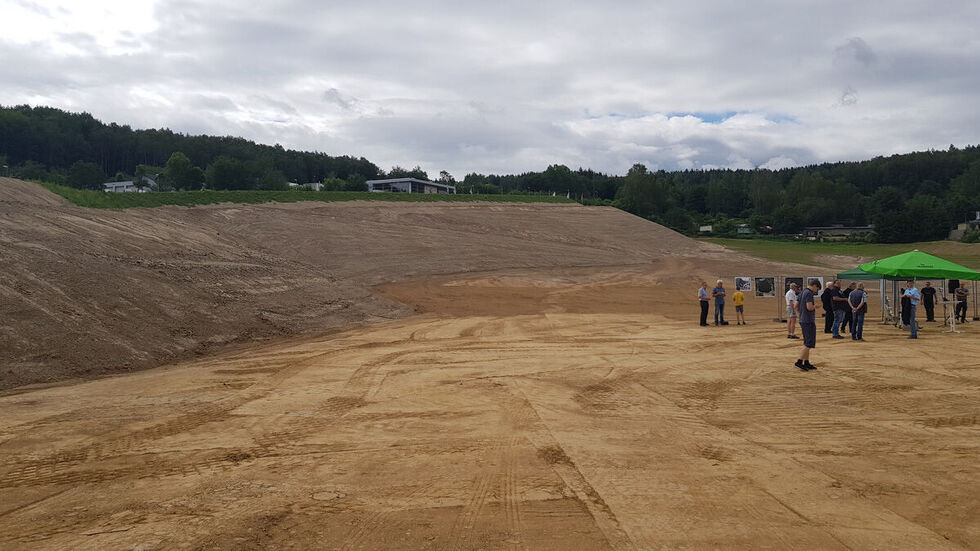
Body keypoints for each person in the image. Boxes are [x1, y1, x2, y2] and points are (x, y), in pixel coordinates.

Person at [795, 278, 821, 371]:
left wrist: (800, 315)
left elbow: (796, 306)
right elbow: (809, 307)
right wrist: (816, 306)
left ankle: (806, 362)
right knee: (808, 343)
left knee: (807, 342)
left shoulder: (802, 292)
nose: (816, 291)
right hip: (808, 320)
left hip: (803, 319)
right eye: (817, 289)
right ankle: (799, 361)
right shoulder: (809, 293)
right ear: (814, 286)